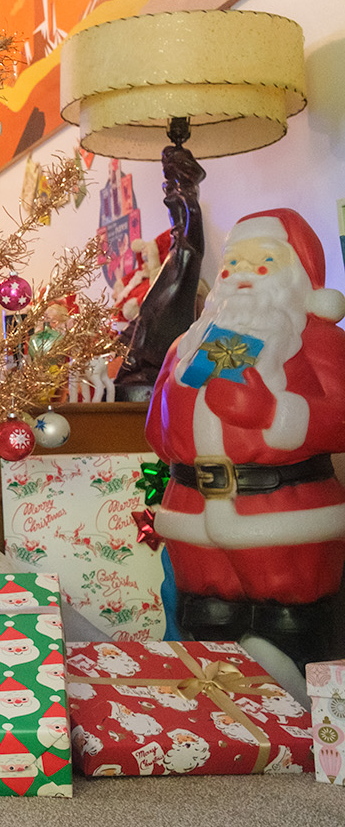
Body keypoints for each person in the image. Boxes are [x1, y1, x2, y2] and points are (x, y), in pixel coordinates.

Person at [145, 208, 345, 668]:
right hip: (192, 515)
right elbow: (156, 430)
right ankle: (221, 727)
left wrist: (277, 412)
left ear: (299, 272)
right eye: (232, 263)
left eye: (263, 262)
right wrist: (186, 399)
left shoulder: (318, 340)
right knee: (206, 625)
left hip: (286, 515)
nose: (241, 274)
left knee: (291, 627)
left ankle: (299, 729)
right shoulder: (188, 346)